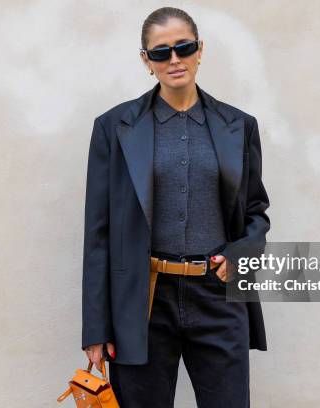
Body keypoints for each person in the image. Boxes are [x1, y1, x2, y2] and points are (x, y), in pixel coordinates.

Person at [81, 6, 270, 407]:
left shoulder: (239, 126)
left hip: (217, 294)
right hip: (143, 299)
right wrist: (96, 328)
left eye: (183, 47)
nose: (174, 59)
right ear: (145, 61)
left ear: (200, 50)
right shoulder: (114, 129)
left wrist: (242, 253)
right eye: (160, 52)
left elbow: (256, 212)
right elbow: (98, 235)